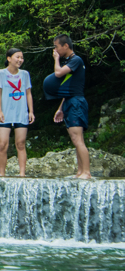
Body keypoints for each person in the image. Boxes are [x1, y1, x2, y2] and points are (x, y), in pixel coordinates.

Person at [50, 35, 91, 179]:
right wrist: (60, 108)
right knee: (75, 139)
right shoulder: (70, 61)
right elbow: (67, 87)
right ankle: (80, 171)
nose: (55, 49)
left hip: (76, 102)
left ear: (65, 46)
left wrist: (56, 60)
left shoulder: (76, 60)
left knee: (78, 138)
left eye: (56, 46)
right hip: (69, 101)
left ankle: (86, 172)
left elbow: (58, 73)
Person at [0, 47, 35, 177]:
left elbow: (29, 93)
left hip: (21, 112)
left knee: (21, 143)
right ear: (9, 58)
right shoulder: (0, 73)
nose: (20, 60)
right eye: (17, 57)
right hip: (5, 113)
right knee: (2, 144)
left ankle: (22, 173)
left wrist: (31, 111)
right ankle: (2, 174)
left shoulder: (25, 74)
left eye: (21, 57)